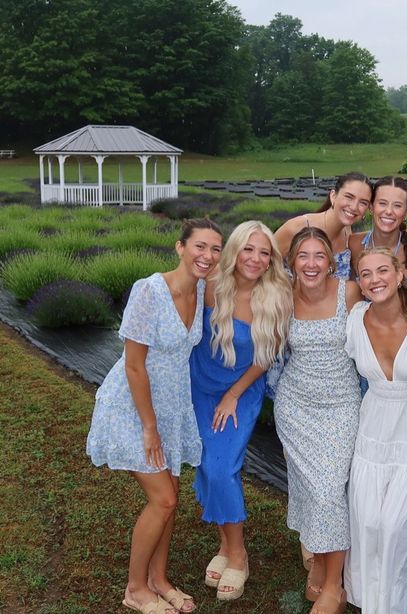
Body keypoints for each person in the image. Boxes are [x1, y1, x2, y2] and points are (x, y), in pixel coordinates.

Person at [87, 218, 223, 614]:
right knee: (162, 499)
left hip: (172, 405)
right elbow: (133, 366)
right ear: (180, 247)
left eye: (216, 249)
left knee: (172, 498)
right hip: (133, 406)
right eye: (200, 246)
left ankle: (158, 580)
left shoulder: (201, 289)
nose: (208, 256)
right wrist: (149, 428)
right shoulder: (149, 291)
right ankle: (135, 589)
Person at [189, 221, 292, 601]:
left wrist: (233, 394)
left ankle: (238, 554)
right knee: (204, 463)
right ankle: (223, 546)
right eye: (249, 249)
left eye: (264, 252)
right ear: (235, 249)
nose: (256, 259)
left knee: (221, 467)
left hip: (240, 391)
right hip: (199, 386)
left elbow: (265, 358)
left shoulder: (278, 295)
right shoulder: (211, 283)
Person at [344, 248, 407, 614]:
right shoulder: (354, 320)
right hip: (374, 429)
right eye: (365, 274)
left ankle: (403, 601)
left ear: (400, 273)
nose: (374, 280)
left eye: (382, 270)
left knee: (398, 523)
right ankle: (372, 602)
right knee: (368, 520)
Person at [274, 227, 362, 614]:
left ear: (331, 260)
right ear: (292, 261)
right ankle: (323, 564)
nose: (311, 264)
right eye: (303, 256)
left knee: (330, 491)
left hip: (341, 406)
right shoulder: (282, 298)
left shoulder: (351, 292)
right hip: (295, 407)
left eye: (319, 256)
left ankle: (332, 588)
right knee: (312, 490)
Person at [274, 172, 372, 279]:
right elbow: (262, 265)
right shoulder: (295, 229)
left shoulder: (347, 232)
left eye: (363, 202)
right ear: (333, 196)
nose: (354, 207)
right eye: (349, 197)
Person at [348, 175, 407, 275]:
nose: (389, 211)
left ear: (406, 213)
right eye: (382, 203)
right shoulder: (352, 244)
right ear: (371, 207)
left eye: (397, 205)